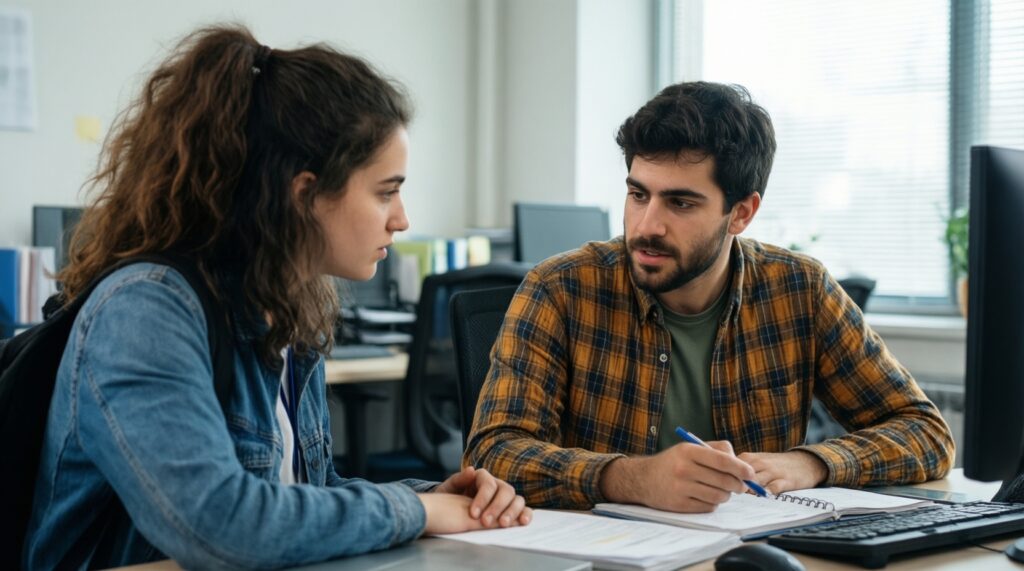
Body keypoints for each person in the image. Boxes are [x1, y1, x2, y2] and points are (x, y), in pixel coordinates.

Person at [24, 25, 530, 570]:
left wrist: (438, 495)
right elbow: (221, 527)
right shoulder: (146, 310)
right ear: (305, 194)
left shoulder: (292, 306)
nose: (402, 219)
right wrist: (413, 508)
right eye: (386, 191)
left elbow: (307, 489)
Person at [465, 81, 955, 512]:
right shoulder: (561, 289)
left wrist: (812, 463)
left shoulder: (799, 290)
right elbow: (491, 453)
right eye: (638, 194)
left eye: (680, 202)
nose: (647, 226)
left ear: (741, 213)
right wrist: (633, 479)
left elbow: (925, 432)